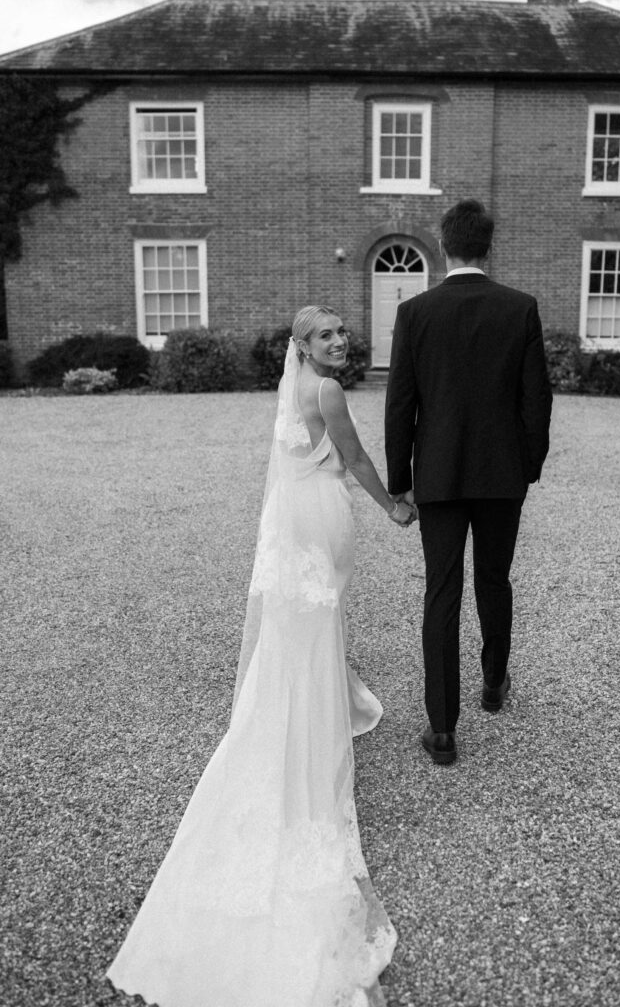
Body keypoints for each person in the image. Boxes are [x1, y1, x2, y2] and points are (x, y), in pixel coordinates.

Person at [107, 305, 413, 1007]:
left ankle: (299, 709)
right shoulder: (328, 390)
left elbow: (292, 461)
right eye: (325, 335)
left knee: (296, 633)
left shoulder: (291, 385)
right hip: (319, 520)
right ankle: (309, 729)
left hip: (291, 523)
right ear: (300, 346)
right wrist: (393, 507)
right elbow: (357, 458)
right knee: (315, 626)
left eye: (340, 331)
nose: (338, 341)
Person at [385, 199, 552, 765]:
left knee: (442, 591)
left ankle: (442, 728)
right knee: (495, 580)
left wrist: (399, 479)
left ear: (442, 242)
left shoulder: (416, 312)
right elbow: (537, 400)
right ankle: (494, 683)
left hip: (438, 474)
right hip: (502, 474)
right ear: (489, 245)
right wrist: (528, 466)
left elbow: (400, 404)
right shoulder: (519, 307)